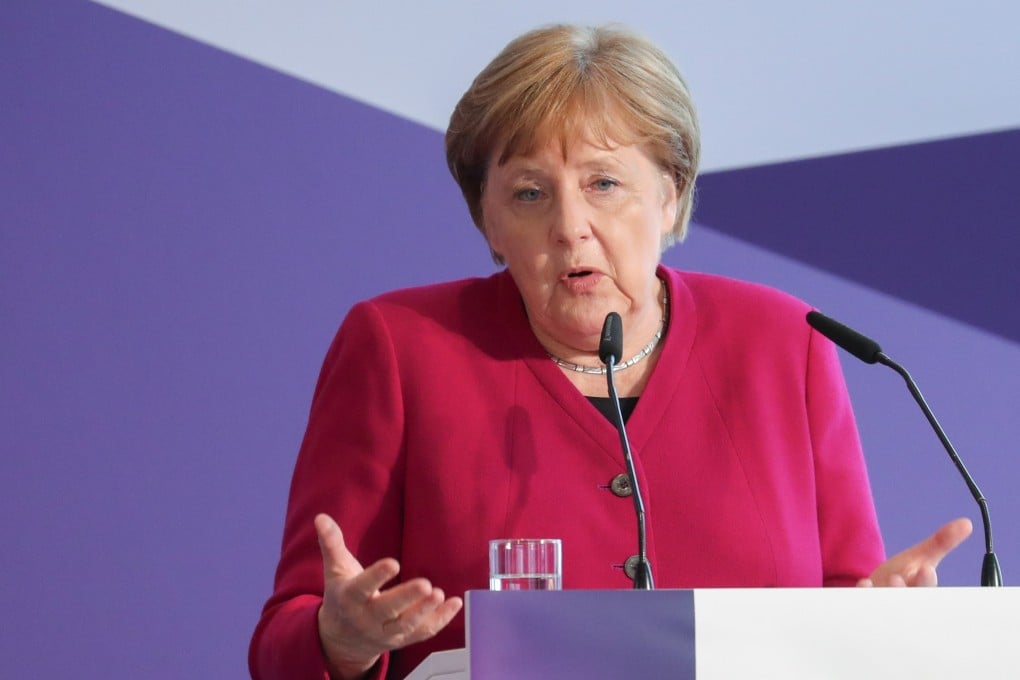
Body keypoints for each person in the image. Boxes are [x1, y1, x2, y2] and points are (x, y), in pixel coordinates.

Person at [249, 24, 972, 680]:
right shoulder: (400, 348)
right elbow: (285, 637)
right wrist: (338, 638)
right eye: (530, 193)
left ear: (669, 196)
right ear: (488, 221)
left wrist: (877, 624)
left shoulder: (785, 344)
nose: (571, 226)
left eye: (604, 184)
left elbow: (843, 604)